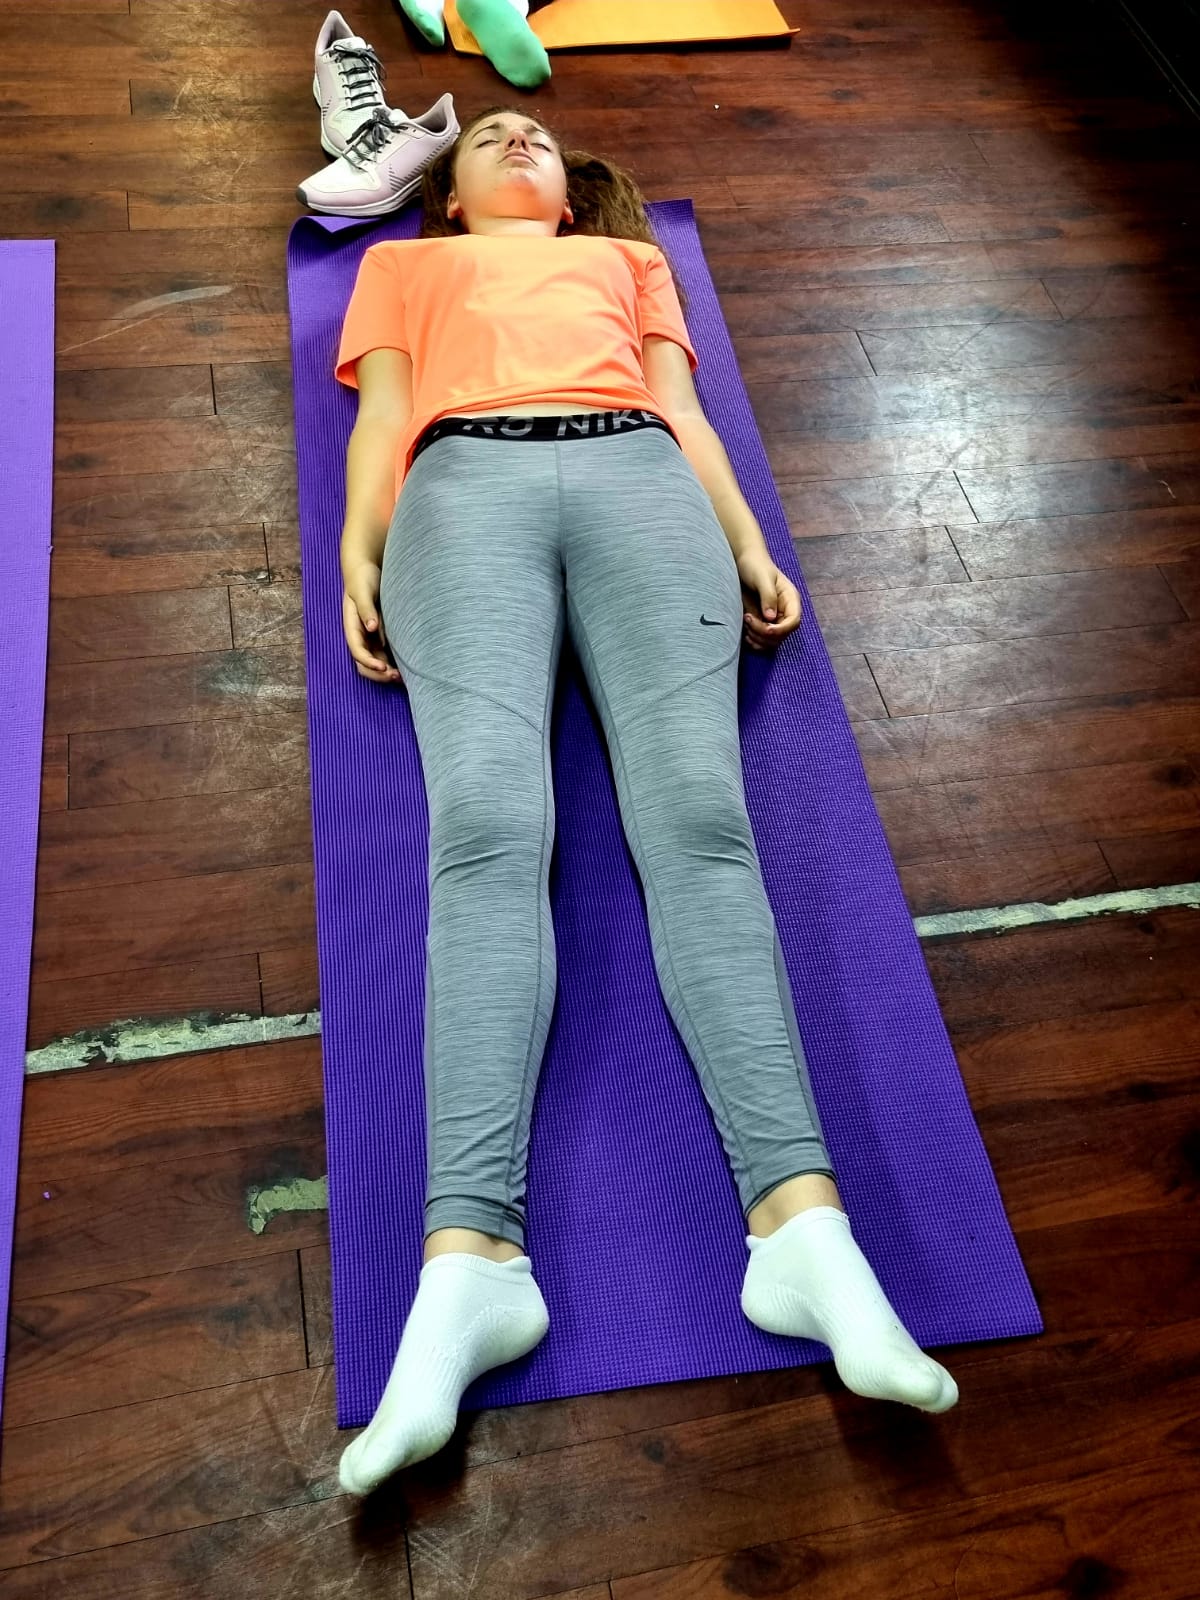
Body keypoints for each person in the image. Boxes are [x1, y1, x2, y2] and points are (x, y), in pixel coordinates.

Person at [332, 104, 959, 1496]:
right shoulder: (411, 271)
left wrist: (746, 543)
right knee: (486, 836)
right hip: (461, 493)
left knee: (704, 832)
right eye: (486, 135)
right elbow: (381, 414)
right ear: (444, 196)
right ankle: (470, 1260)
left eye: (537, 135)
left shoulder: (627, 267)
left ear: (573, 188)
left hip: (638, 480)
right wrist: (357, 553)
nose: (511, 141)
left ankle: (804, 1234)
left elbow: (685, 411)